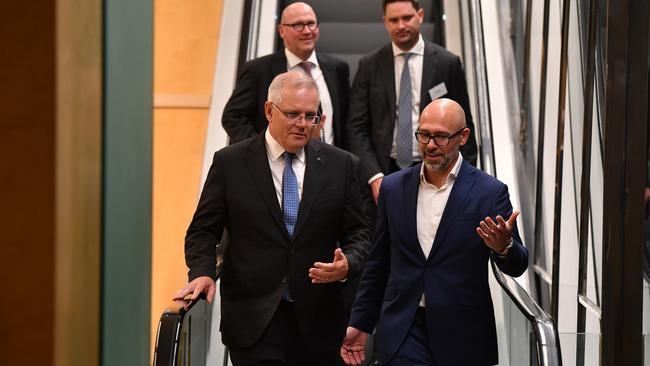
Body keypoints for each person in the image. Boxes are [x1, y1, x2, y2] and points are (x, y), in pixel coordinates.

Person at [174, 70, 370, 366]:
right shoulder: (230, 163)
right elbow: (203, 230)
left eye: (310, 116)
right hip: (253, 322)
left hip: (319, 324)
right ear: (269, 110)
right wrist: (201, 271)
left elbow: (361, 233)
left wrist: (348, 264)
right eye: (293, 114)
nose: (303, 125)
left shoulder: (341, 165)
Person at [341, 98, 528, 366]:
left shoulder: (489, 192)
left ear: (463, 137)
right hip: (404, 328)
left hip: (462, 334)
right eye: (424, 134)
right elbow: (377, 264)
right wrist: (360, 323)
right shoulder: (393, 189)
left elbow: (518, 264)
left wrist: (503, 247)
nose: (429, 145)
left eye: (440, 137)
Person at [347, 0, 478, 204]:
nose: (401, 25)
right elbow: (356, 127)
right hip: (385, 171)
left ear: (420, 15)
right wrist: (374, 176)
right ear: (385, 22)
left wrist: (464, 178)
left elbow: (464, 125)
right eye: (394, 20)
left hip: (436, 168)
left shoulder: (447, 63)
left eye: (407, 18)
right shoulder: (369, 66)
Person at [222, 1, 350, 149]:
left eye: (311, 24)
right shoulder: (258, 70)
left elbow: (347, 123)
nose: (307, 31)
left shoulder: (337, 69)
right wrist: (263, 150)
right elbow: (232, 117)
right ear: (282, 31)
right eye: (298, 25)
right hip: (277, 165)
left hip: (328, 164)